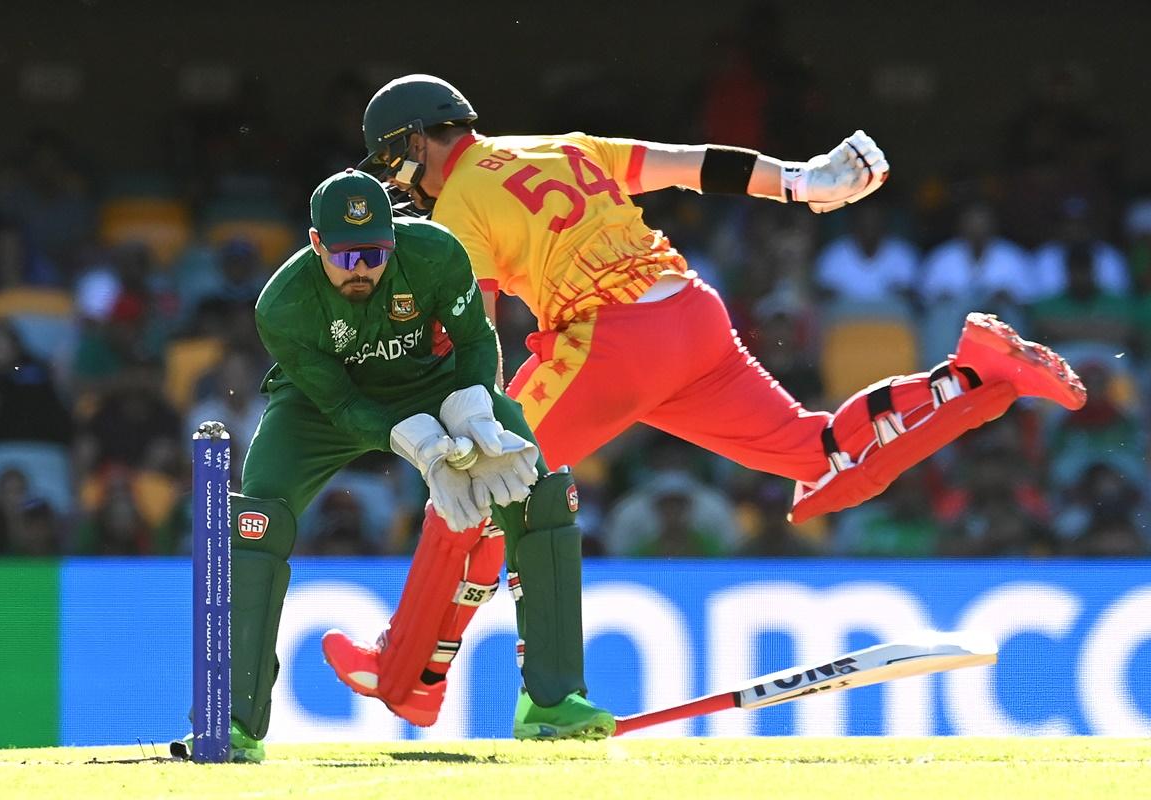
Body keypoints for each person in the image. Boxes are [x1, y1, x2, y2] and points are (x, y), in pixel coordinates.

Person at [346, 73, 1089, 720]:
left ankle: (405, 671)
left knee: (472, 482)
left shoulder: (458, 208)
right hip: (693, 315)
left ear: (417, 141)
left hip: (607, 338)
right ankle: (974, 375)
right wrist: (803, 181)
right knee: (820, 459)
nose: (402, 184)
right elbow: (690, 165)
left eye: (395, 163)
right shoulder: (560, 145)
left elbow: (464, 328)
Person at [172, 170, 614, 763]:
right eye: (347, 254)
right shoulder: (283, 305)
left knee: (540, 495)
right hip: (322, 407)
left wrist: (476, 409)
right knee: (257, 519)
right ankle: (233, 723)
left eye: (376, 253)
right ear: (315, 243)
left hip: (437, 386)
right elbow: (344, 405)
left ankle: (552, 702)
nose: (363, 267)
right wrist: (422, 447)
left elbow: (477, 340)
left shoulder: (434, 251)